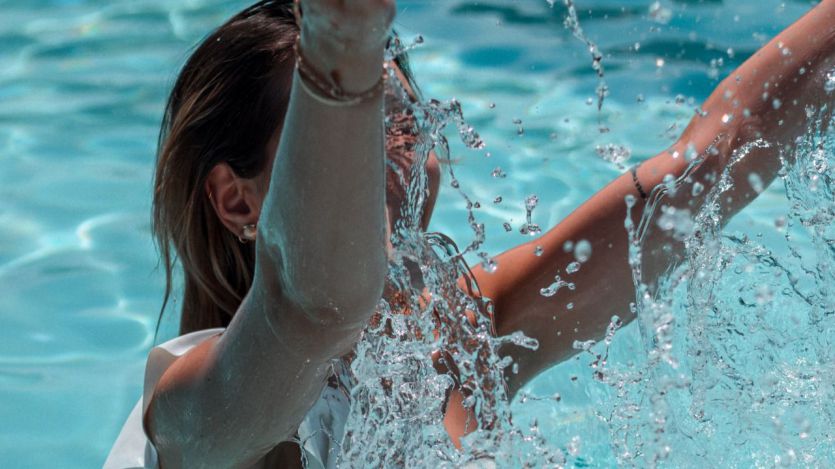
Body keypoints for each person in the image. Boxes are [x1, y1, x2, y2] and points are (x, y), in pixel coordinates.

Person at [105, 0, 835, 467]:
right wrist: (340, 39)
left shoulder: (462, 332)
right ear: (237, 201)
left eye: (399, 118)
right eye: (343, 129)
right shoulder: (193, 410)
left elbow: (706, 171)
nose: (387, 152)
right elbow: (314, 305)